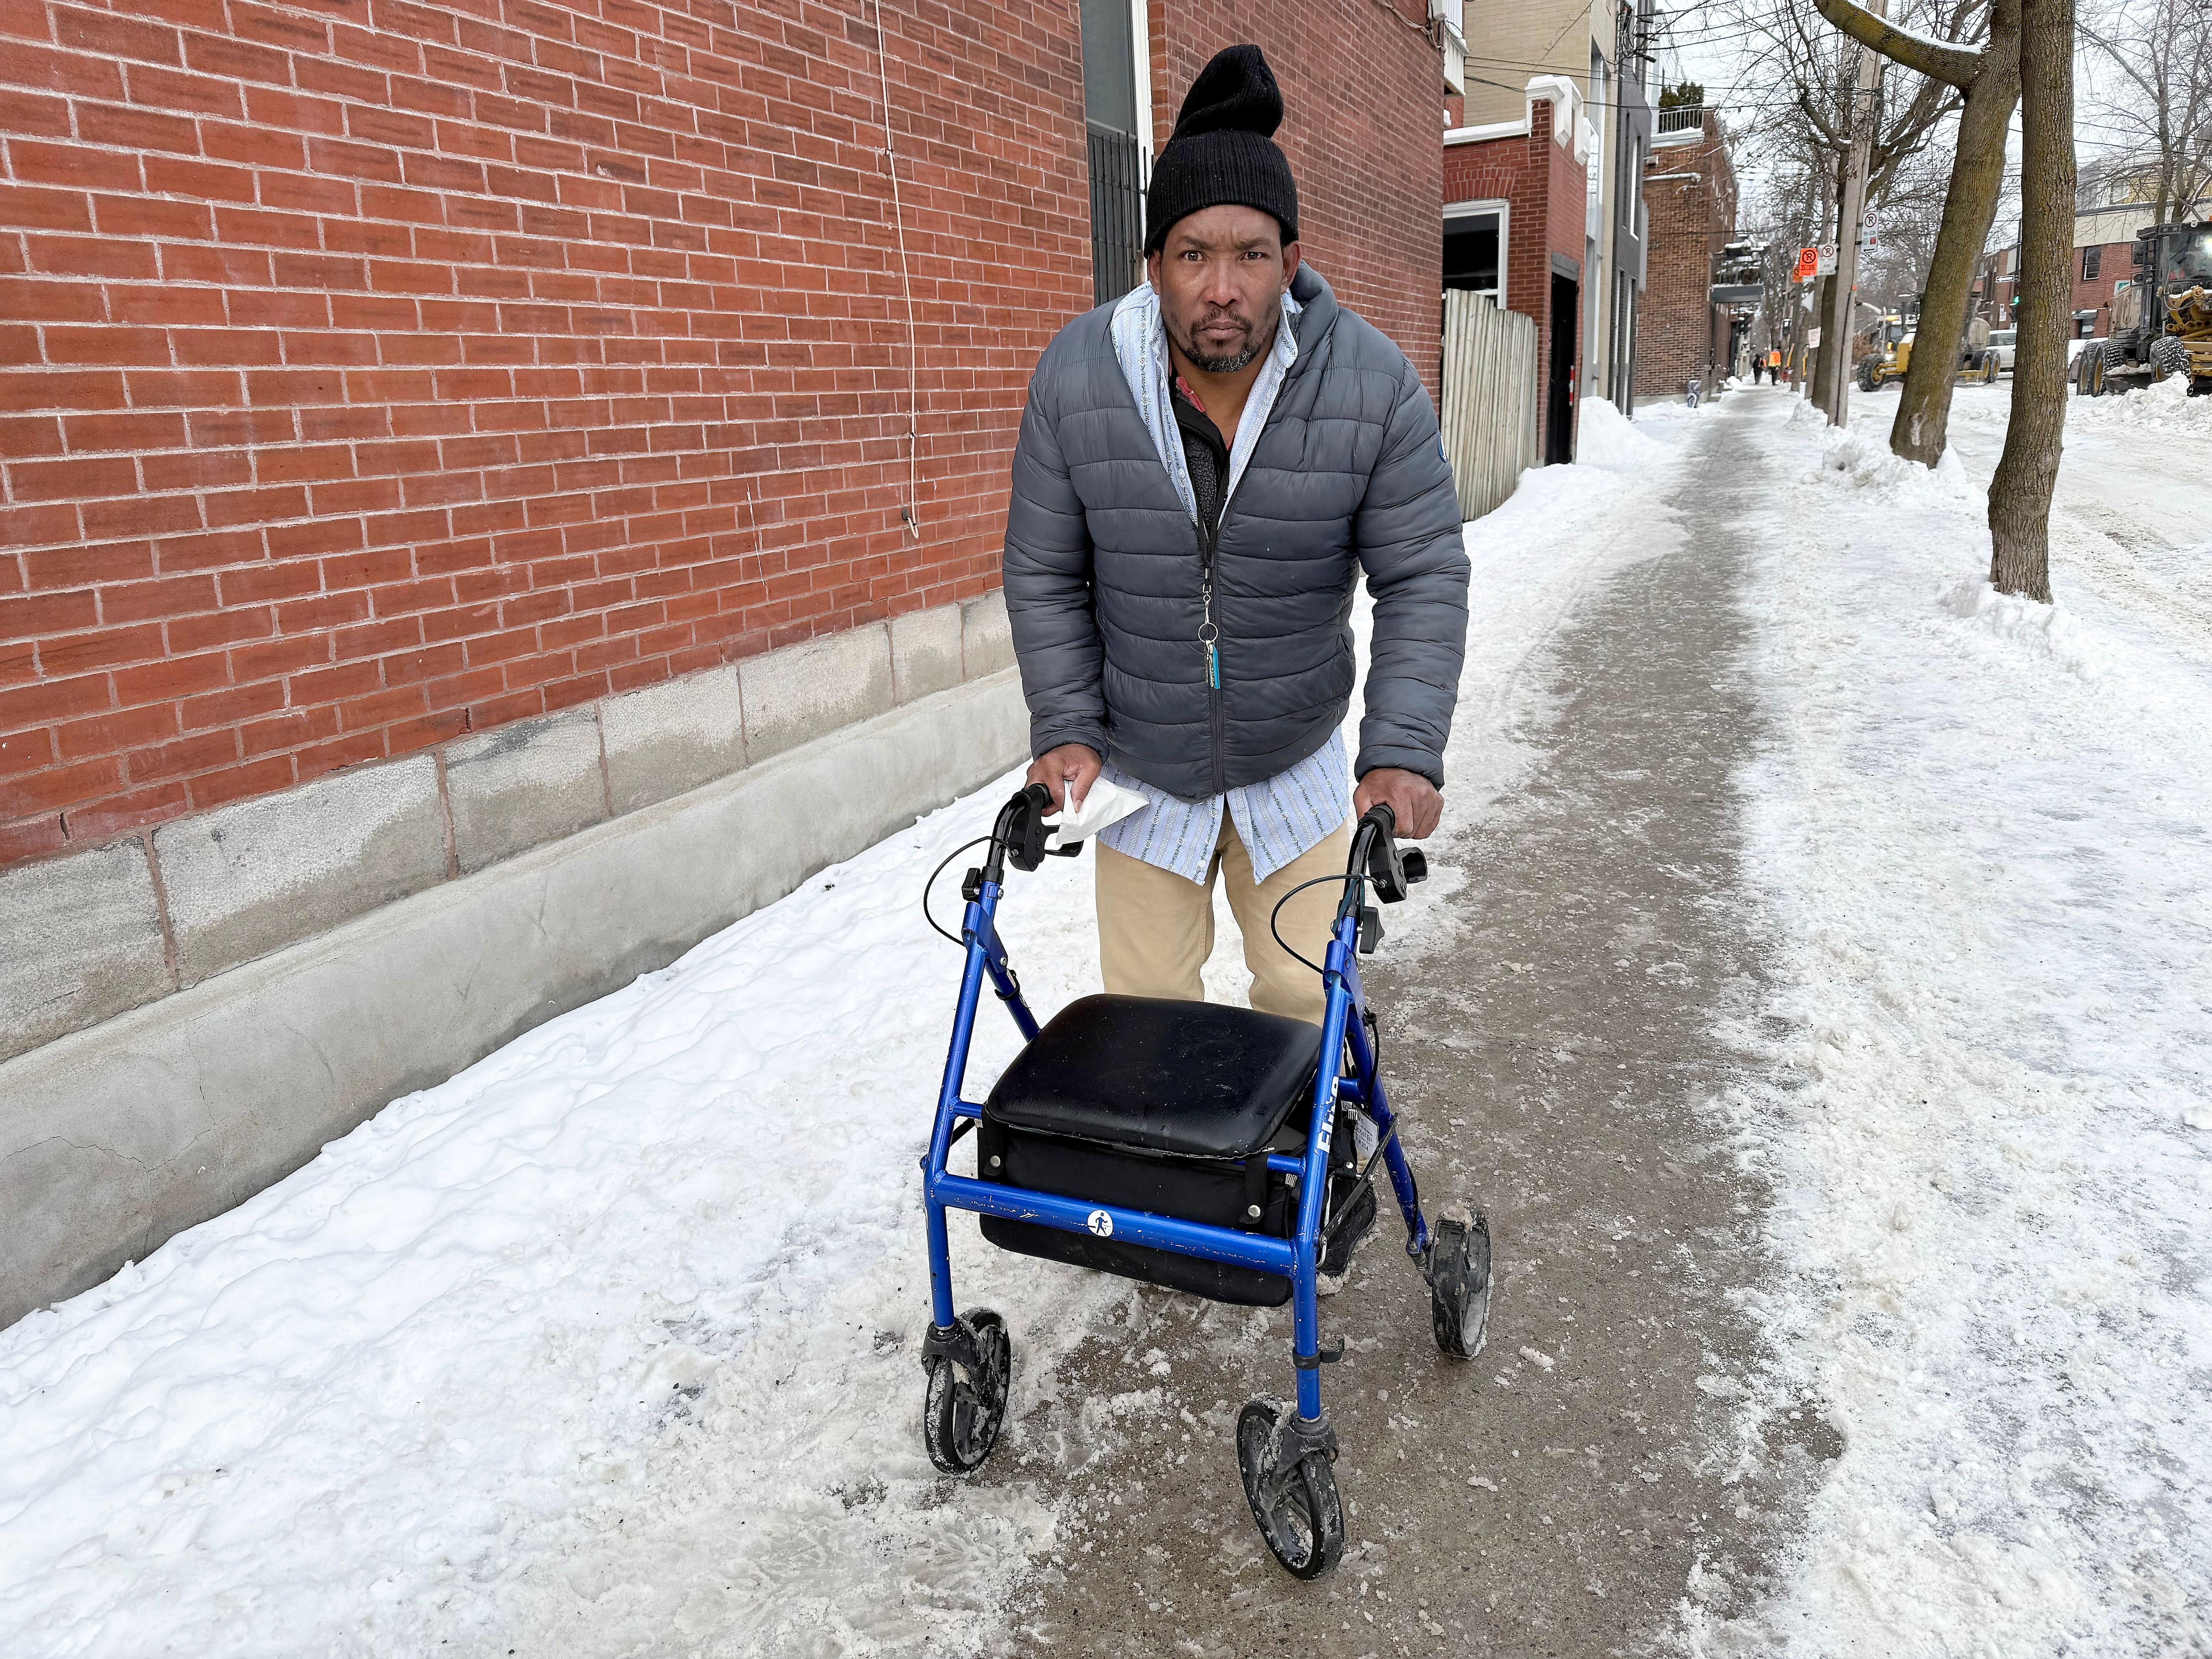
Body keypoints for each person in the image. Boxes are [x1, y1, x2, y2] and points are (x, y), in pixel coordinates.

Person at [1001, 43, 1469, 1032]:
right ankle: (1175, 1189)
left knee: (1305, 1000)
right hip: (1140, 769)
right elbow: (1045, 572)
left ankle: (1302, 1177)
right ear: (1154, 266)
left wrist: (1402, 751)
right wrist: (1068, 728)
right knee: (1143, 1019)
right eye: (1194, 255)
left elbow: (1423, 570)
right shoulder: (1077, 376)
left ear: (1289, 262)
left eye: (1251, 254)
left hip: (1290, 767)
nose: (1223, 287)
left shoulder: (1370, 383)